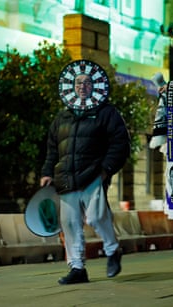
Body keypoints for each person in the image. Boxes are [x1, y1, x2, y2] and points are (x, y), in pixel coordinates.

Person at [40, 71, 131, 285]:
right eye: (78, 83)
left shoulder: (106, 112)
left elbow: (120, 143)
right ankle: (77, 268)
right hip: (66, 179)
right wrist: (46, 172)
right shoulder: (63, 116)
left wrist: (106, 168)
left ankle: (112, 251)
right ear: (72, 87)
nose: (82, 86)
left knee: (97, 217)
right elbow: (52, 148)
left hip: (93, 175)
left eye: (87, 82)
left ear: (95, 86)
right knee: (69, 224)